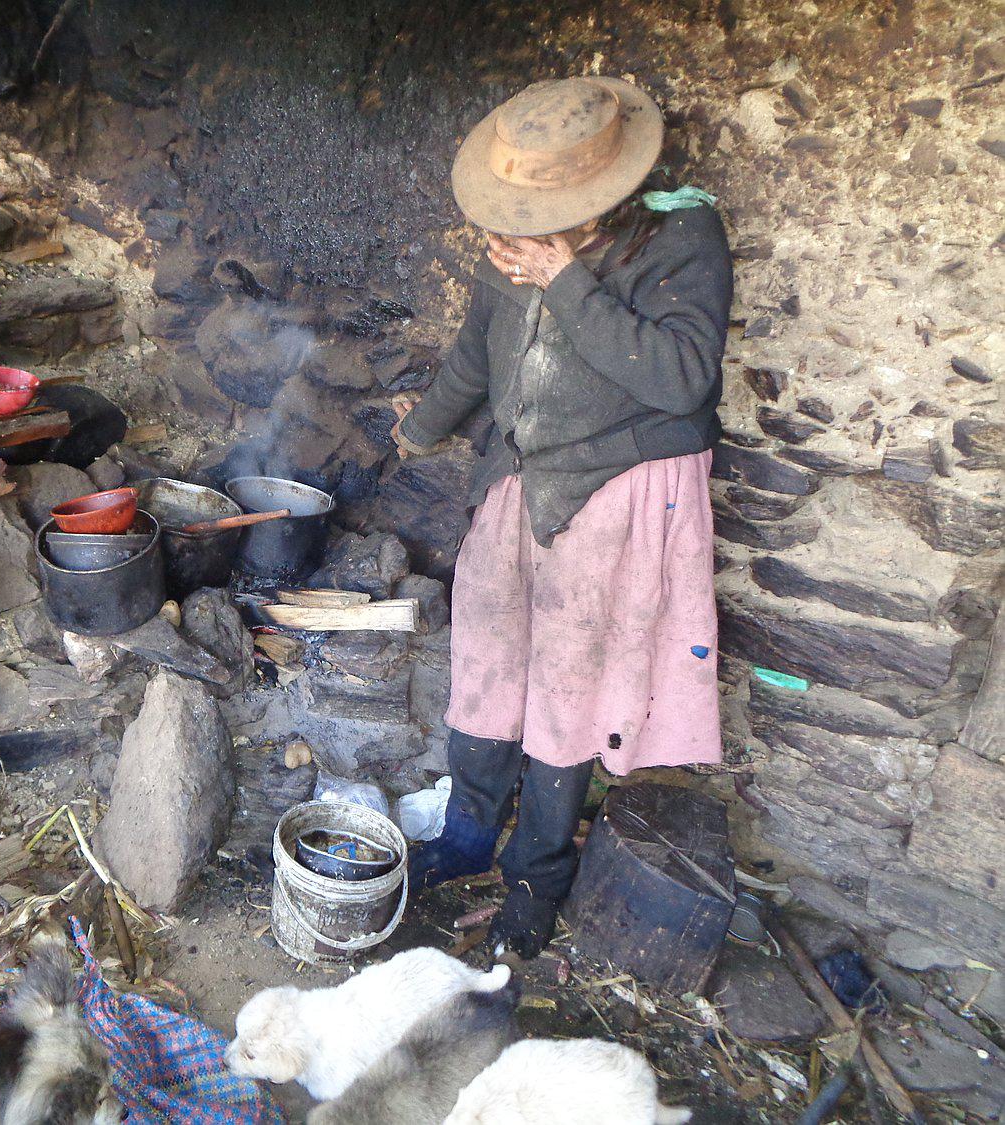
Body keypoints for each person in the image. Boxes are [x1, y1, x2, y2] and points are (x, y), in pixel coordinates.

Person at [393, 76, 732, 960]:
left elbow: (682, 376)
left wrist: (567, 278)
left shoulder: (681, 233)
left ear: (605, 188)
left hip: (620, 481)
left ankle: (535, 880)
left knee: (566, 688)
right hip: (519, 471)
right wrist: (420, 430)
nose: (523, 224)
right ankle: (468, 833)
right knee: (490, 656)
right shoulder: (513, 237)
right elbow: (479, 349)